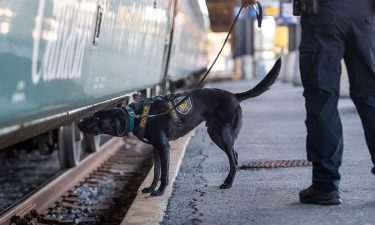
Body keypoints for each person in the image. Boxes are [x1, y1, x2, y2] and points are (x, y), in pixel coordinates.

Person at [242, 0, 375, 205]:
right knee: (371, 97)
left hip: (323, 15)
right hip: (365, 15)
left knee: (322, 101)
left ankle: (325, 185)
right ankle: (325, 183)